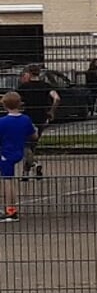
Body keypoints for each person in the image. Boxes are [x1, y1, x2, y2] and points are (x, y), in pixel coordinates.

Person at [14, 65, 58, 179]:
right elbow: (57, 98)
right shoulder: (46, 86)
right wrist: (52, 111)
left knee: (24, 144)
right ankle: (25, 173)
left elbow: (15, 99)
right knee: (32, 144)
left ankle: (34, 163)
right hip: (42, 118)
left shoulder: (24, 87)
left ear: (29, 73)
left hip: (27, 118)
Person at [0, 91, 33, 221]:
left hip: (6, 153)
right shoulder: (25, 119)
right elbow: (33, 134)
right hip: (18, 150)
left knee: (8, 180)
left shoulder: (3, 122)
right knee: (8, 179)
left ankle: (11, 211)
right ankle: (11, 209)